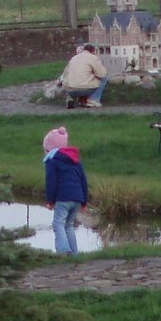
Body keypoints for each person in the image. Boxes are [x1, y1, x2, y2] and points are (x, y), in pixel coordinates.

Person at [43, 126, 89, 254]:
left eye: (45, 150)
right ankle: (74, 253)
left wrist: (50, 200)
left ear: (50, 150)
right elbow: (83, 181)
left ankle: (63, 251)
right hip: (78, 198)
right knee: (68, 225)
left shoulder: (52, 161)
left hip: (63, 197)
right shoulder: (75, 161)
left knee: (58, 223)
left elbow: (51, 182)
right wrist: (84, 201)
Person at [61, 42, 109, 109]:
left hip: (69, 89)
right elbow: (102, 74)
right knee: (104, 79)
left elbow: (65, 74)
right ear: (93, 51)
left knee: (72, 81)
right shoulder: (93, 58)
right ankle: (93, 100)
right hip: (84, 88)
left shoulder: (74, 58)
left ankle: (70, 99)